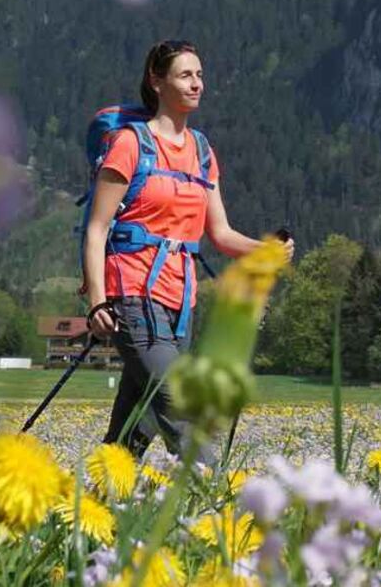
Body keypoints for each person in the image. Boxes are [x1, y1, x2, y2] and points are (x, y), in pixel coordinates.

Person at [81, 39, 293, 459]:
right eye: (184, 75)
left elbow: (221, 234)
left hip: (180, 301)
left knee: (134, 427)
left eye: (199, 75)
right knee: (180, 407)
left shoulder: (201, 150)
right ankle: (222, 506)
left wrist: (266, 250)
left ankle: (92, 508)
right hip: (132, 293)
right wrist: (97, 302)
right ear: (156, 82)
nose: (196, 84)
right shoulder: (130, 144)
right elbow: (97, 229)